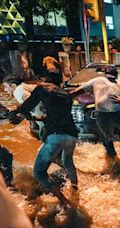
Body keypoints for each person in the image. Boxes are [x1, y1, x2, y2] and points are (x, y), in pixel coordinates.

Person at [7, 72, 78, 206]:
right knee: (67, 162)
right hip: (72, 136)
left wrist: (16, 113)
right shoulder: (64, 93)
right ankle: (75, 191)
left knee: (39, 172)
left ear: (45, 80)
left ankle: (64, 202)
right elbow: (53, 115)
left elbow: (29, 103)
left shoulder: (43, 88)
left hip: (55, 136)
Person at [70, 66, 120, 158]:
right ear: (116, 75)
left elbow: (77, 91)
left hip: (103, 114)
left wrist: (63, 97)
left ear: (105, 74)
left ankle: (113, 162)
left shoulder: (97, 80)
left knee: (106, 140)